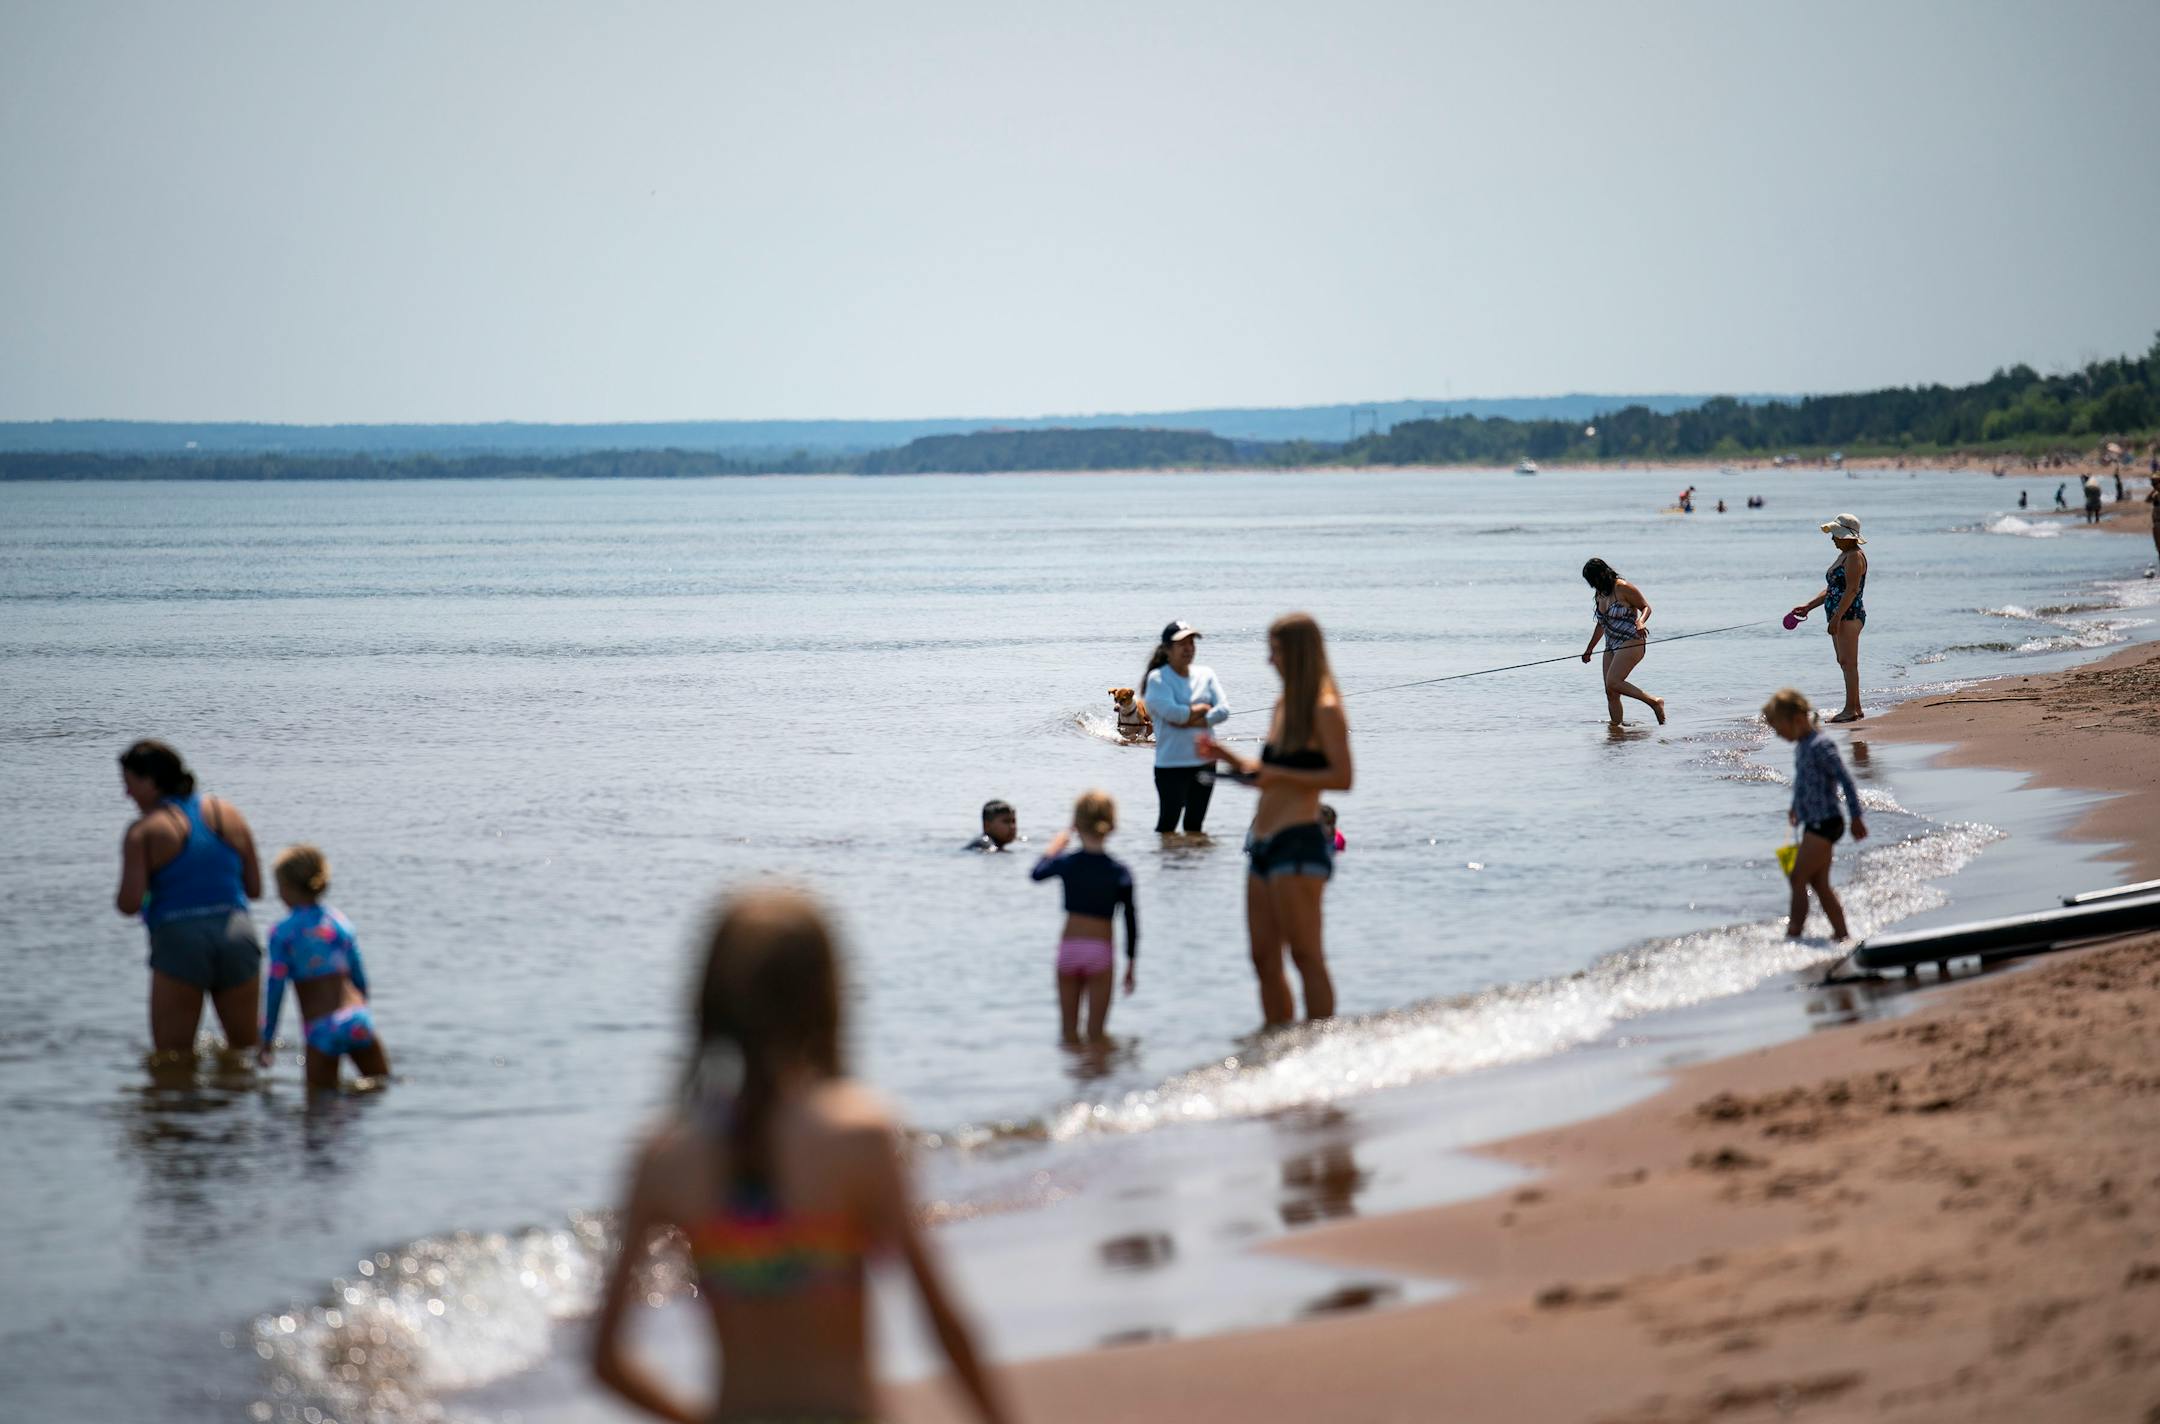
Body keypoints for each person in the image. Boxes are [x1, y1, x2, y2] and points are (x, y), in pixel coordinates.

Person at [590, 888, 1012, 1424]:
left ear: (711, 1003)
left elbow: (605, 1359)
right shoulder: (860, 1137)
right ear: (825, 995)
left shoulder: (667, 1157)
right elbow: (942, 1322)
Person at [1197, 613, 1353, 1026]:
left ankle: (1320, 1049)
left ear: (1299, 654)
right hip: (1260, 842)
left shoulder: (1326, 708)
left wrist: (1278, 775)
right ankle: (1277, 1048)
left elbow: (1342, 777)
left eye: (1276, 651)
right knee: (1263, 959)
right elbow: (1269, 775)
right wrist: (1225, 758)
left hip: (1298, 842)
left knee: (1305, 955)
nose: (1269, 660)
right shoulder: (1284, 705)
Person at [113, 740, 265, 1056]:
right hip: (237, 934)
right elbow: (254, 889)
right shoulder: (228, 813)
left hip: (180, 939)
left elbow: (128, 904)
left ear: (150, 780)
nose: (127, 794)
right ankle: (243, 1105)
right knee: (246, 1053)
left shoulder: (144, 831)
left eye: (129, 784)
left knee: (172, 1059)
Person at [259, 845, 390, 1088]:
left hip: (322, 1027)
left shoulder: (283, 933)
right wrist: (363, 1013)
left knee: (319, 1111)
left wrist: (267, 1039)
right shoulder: (340, 923)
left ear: (286, 888)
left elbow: (275, 990)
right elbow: (359, 977)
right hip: (356, 1018)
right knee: (380, 1087)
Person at [1029, 790, 1138, 1045]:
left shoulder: (1067, 863)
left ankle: (1074, 1081)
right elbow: (1131, 922)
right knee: (1097, 1035)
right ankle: (1097, 1080)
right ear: (1111, 826)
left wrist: (1056, 845)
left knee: (1068, 1034)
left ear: (1076, 825)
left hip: (1069, 951)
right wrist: (1131, 964)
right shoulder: (1120, 872)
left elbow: (1036, 874)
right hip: (1100, 952)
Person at [1763, 688, 1868, 940]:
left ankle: (1794, 934)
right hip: (1813, 822)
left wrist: (1856, 817)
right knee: (1819, 885)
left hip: (1827, 822)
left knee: (1797, 877)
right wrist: (1796, 808)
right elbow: (1805, 783)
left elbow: (1846, 781)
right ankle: (1842, 935)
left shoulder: (1821, 745)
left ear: (1797, 719)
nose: (1779, 735)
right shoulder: (1801, 746)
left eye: (1780, 729)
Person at [1141, 620, 1230, 835]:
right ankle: (1168, 867)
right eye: (1182, 643)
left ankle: (1193, 868)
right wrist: (1201, 708)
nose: (1189, 648)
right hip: (1171, 764)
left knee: (1195, 827)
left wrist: (1198, 719)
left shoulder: (1206, 674)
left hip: (1205, 764)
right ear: (1167, 649)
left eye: (1192, 642)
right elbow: (1173, 714)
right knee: (1167, 826)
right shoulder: (1157, 678)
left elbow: (1223, 710)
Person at [1788, 514, 1869, 723]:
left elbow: (1851, 590)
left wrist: (1836, 618)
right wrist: (1808, 607)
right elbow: (1832, 590)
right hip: (1840, 615)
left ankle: (1851, 709)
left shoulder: (1854, 557)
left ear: (1847, 536)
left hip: (1849, 615)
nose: (1832, 538)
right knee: (1843, 662)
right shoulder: (1844, 555)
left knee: (1849, 663)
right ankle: (1855, 707)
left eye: (1835, 534)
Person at [1577, 558, 1666, 727]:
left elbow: (1646, 607)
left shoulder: (1623, 587)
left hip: (1632, 641)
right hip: (1610, 645)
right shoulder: (1600, 593)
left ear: (1604, 573)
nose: (1595, 585)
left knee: (1614, 682)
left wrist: (1640, 622)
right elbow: (1601, 624)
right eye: (1592, 583)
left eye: (1596, 580)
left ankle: (1655, 702)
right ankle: (1616, 729)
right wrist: (1589, 649)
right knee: (1610, 691)